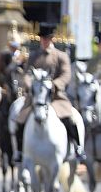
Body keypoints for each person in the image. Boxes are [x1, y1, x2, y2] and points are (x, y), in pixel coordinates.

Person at [13, 22, 85, 163]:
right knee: (20, 118)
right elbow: (27, 74)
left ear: (51, 39)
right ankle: (20, 151)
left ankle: (78, 147)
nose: (45, 41)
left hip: (55, 96)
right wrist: (29, 84)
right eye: (43, 39)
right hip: (36, 95)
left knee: (69, 117)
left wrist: (53, 85)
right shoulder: (33, 56)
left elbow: (66, 75)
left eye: (47, 39)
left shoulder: (61, 56)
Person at [0, 24, 27, 137]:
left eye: (16, 45)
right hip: (4, 87)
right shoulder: (4, 56)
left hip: (20, 89)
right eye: (12, 45)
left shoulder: (23, 57)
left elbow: (26, 74)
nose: (14, 47)